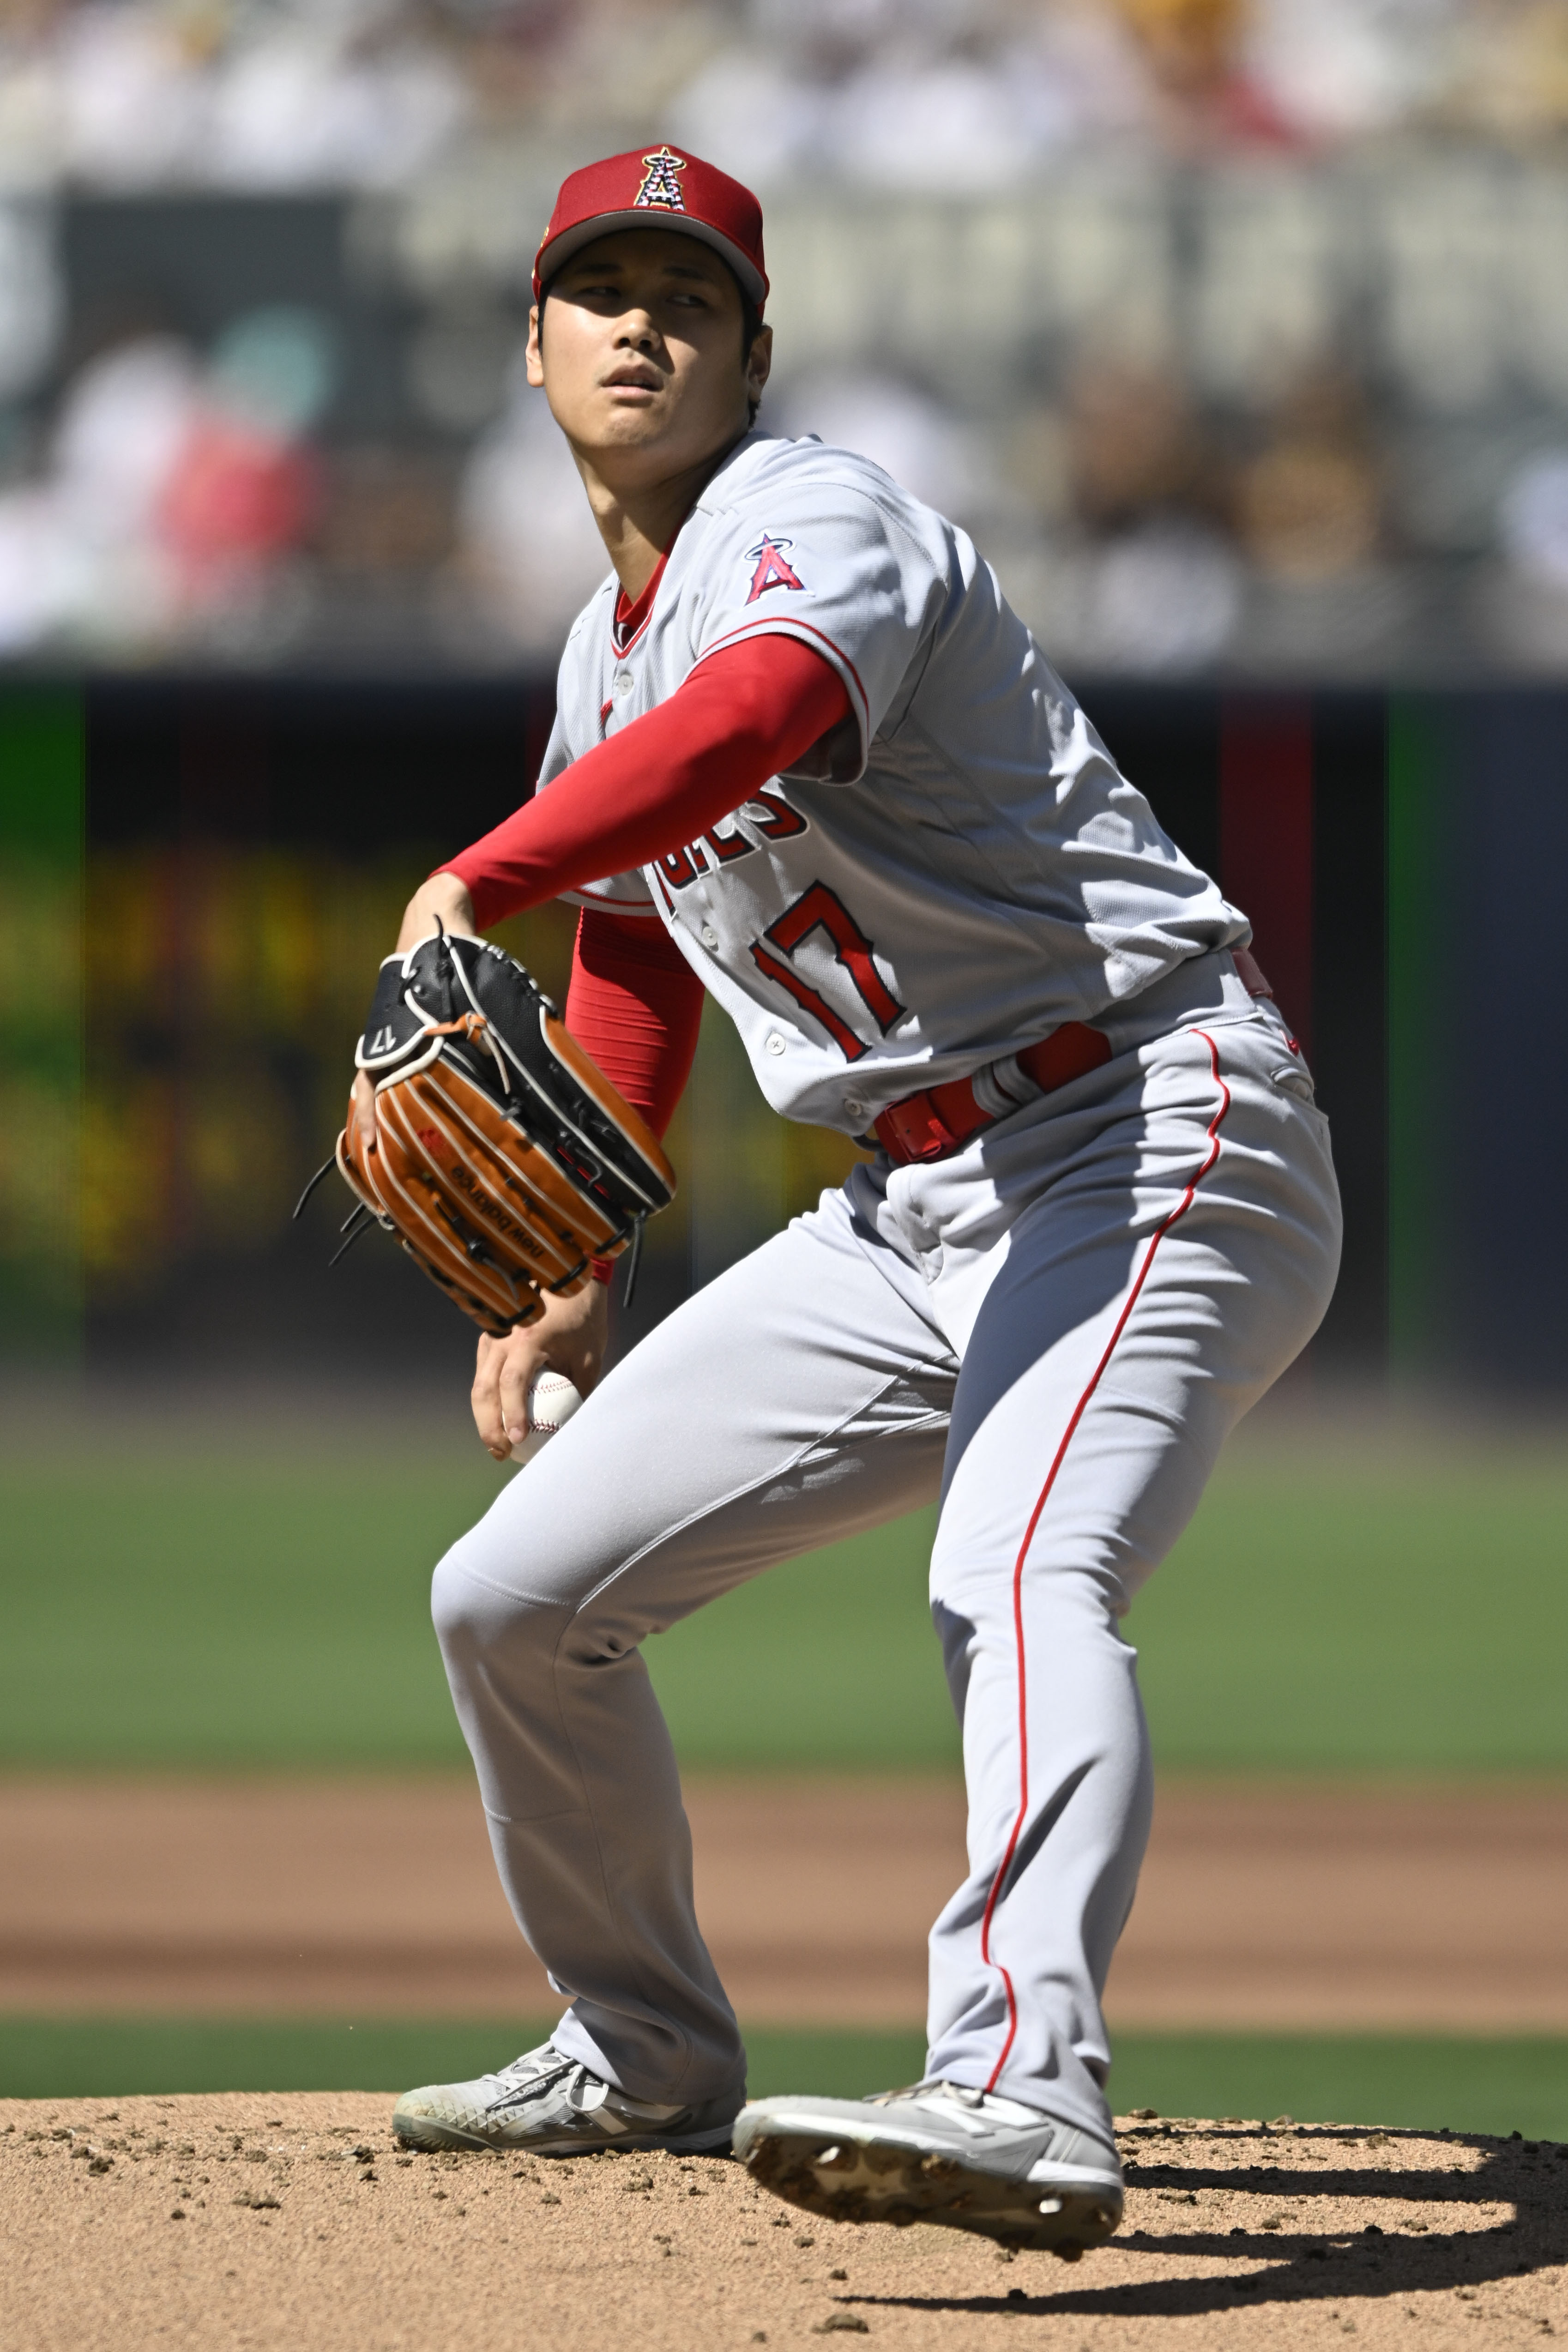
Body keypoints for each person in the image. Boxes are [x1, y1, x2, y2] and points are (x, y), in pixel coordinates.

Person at [355, 145, 1341, 2249]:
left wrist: (480, 868)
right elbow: (635, 948)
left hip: (1153, 1123)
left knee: (1017, 1571)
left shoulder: (818, 517)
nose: (644, 325)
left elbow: (760, 720)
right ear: (529, 345)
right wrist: (570, 1267)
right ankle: (640, 2043)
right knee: (512, 1600)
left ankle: (1023, 2083)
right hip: (910, 1209)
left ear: (753, 350)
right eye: (600, 290)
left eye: (688, 297)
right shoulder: (593, 653)